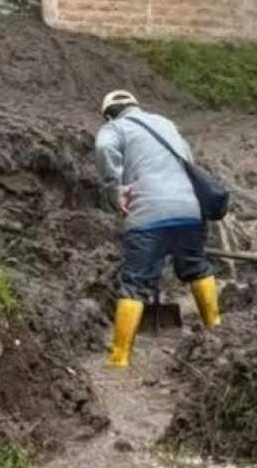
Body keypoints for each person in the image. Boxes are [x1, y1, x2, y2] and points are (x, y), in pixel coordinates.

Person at [94, 90, 221, 369]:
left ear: (108, 115)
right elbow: (187, 158)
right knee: (196, 267)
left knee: (135, 282)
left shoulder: (115, 128)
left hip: (148, 215)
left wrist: (115, 187)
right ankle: (216, 332)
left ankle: (119, 358)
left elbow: (103, 149)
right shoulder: (165, 123)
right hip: (189, 211)